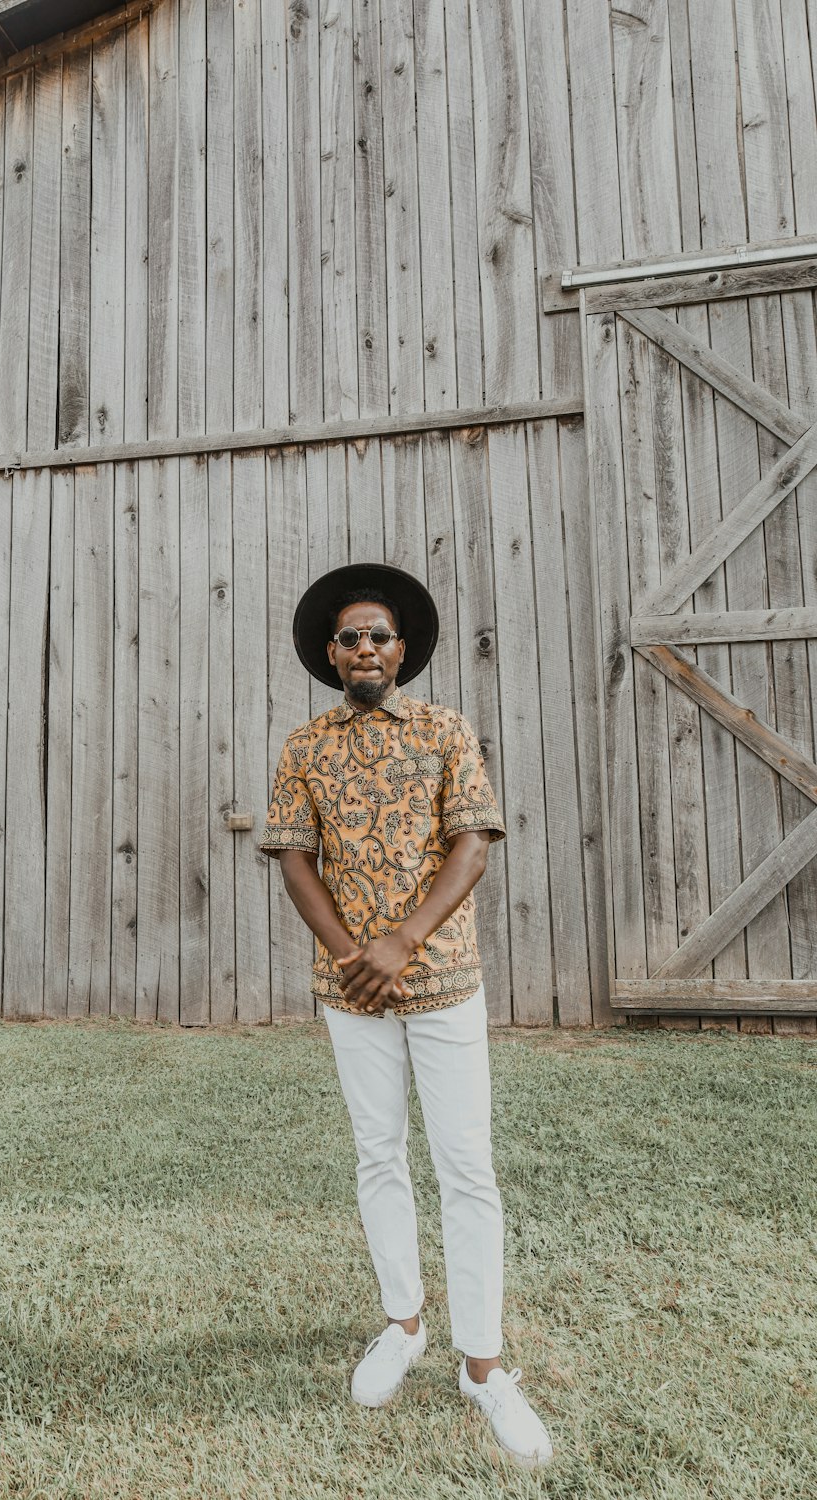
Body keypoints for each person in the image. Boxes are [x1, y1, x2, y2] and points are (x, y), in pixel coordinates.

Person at [258, 563, 553, 1470]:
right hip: (350, 990)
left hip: (445, 979)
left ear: (402, 649)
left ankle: (484, 1367)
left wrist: (405, 943)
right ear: (330, 652)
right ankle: (403, 1325)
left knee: (465, 1167)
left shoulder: (445, 730)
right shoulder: (306, 745)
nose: (366, 647)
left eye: (379, 634)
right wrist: (354, 954)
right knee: (379, 1154)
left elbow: (473, 841)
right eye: (350, 636)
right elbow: (294, 858)